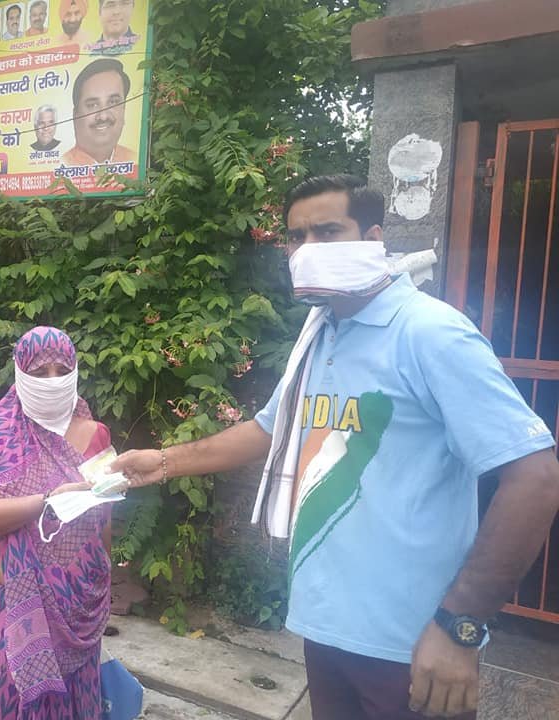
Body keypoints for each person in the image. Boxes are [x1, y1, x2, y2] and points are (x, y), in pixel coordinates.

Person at [111, 175, 559, 720]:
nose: (308, 250)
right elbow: (269, 430)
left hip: (412, 642)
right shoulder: (319, 334)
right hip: (326, 625)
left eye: (327, 232)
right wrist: (162, 462)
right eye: (297, 237)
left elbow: (535, 478)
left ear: (372, 239)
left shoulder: (430, 332)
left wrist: (460, 626)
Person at [0, 327, 113, 719]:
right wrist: (46, 502)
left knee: (72, 702)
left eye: (62, 370)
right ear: (20, 373)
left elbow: (104, 520)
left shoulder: (96, 435)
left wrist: (98, 587)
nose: (52, 381)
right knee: (4, 700)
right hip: (9, 595)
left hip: (77, 604)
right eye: (40, 372)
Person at [63, 58, 135, 166]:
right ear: (75, 115)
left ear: (124, 109)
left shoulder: (133, 159)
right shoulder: (59, 166)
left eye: (113, 102)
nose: (103, 116)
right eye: (93, 105)